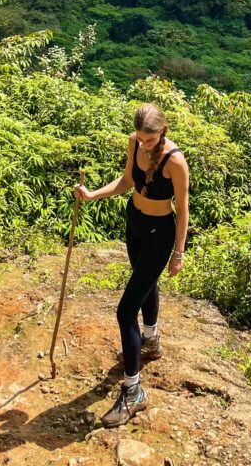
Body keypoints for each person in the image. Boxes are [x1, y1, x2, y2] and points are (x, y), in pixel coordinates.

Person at [74, 102, 189, 427]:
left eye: (149, 140)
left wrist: (178, 253)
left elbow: (182, 209)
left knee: (125, 311)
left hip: (159, 233)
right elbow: (127, 181)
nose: (143, 144)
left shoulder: (175, 161)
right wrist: (93, 194)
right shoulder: (134, 141)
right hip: (135, 222)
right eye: (140, 138)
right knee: (145, 284)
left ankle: (133, 390)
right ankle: (151, 340)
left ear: (162, 132)